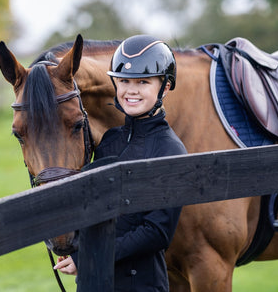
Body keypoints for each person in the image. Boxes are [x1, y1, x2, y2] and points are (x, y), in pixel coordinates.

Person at [54, 35, 187, 291]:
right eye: (124, 80)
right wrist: (75, 245)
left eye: (143, 82)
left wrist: (87, 258)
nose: (131, 90)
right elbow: (92, 206)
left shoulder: (170, 150)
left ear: (166, 86)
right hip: (94, 281)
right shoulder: (109, 140)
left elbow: (156, 232)